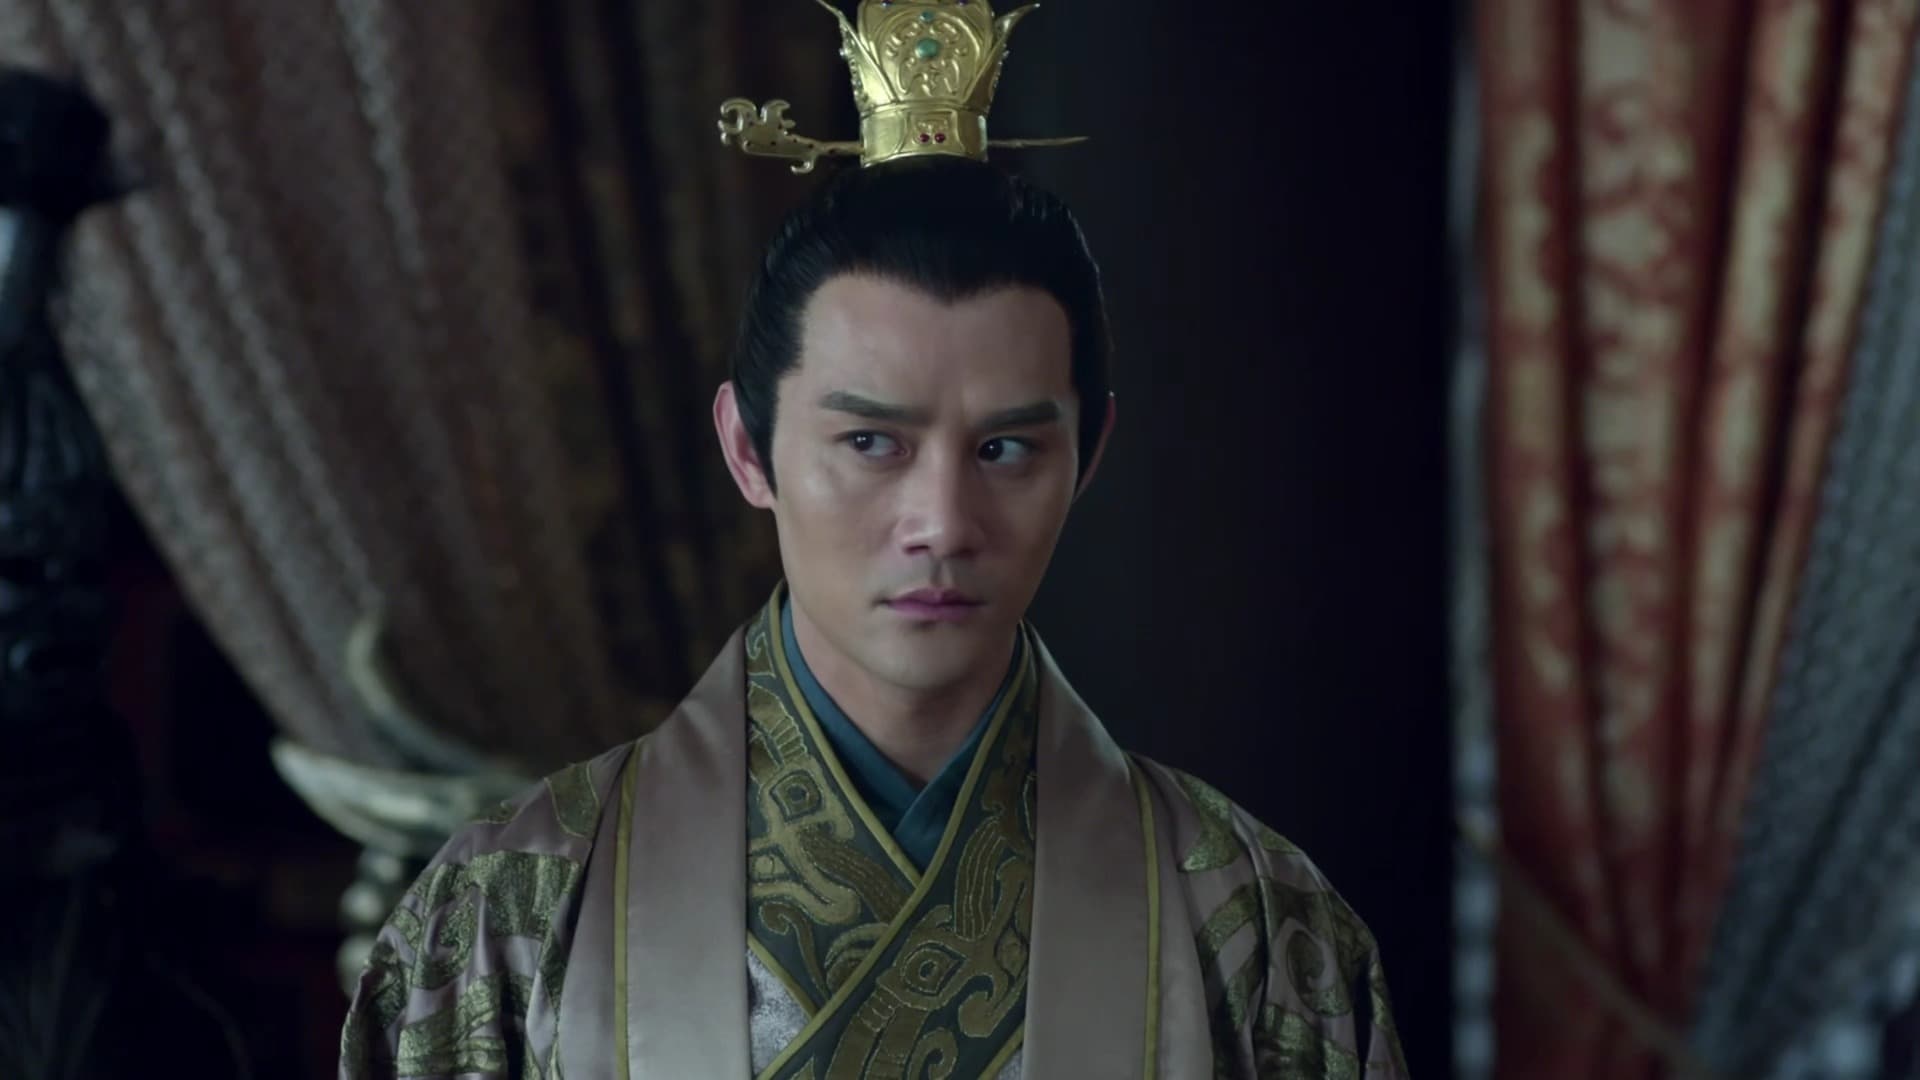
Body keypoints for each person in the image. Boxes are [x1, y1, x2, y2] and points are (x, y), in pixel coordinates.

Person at [340, 2, 1406, 1077]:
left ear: (1089, 457)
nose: (942, 523)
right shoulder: (515, 911)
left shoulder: (1254, 925)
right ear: (747, 450)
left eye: (1005, 450)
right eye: (870, 443)